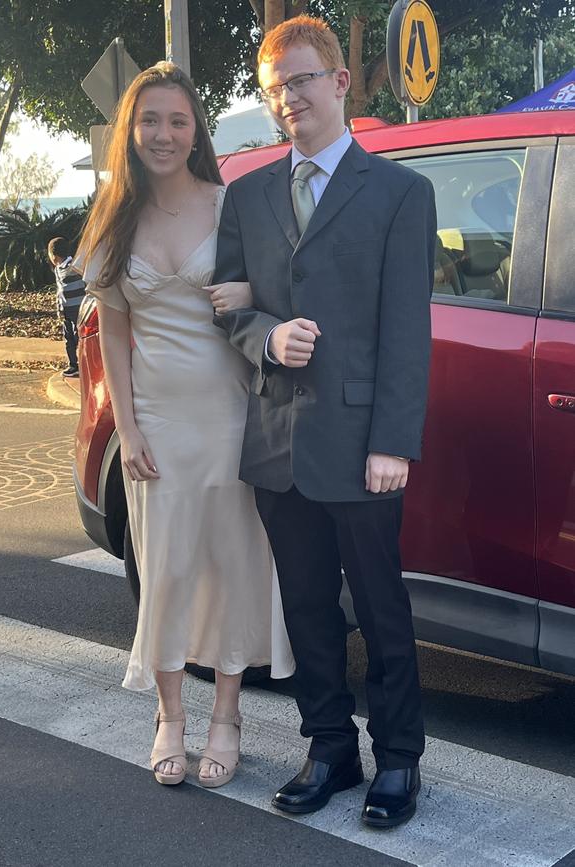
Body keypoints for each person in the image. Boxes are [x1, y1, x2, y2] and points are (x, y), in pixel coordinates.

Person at [214, 15, 436, 828]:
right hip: (278, 442)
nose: (289, 99)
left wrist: (392, 443)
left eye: (302, 80)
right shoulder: (249, 195)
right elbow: (229, 308)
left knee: (380, 606)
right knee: (306, 605)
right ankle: (330, 746)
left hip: (360, 445)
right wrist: (266, 336)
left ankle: (400, 759)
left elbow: (408, 332)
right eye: (275, 88)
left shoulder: (402, 194)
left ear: (340, 82)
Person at [76, 62, 294, 789]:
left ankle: (226, 716)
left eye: (177, 121)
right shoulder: (115, 217)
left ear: (195, 129)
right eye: (150, 122)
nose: (163, 134)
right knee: (165, 570)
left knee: (233, 567)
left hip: (232, 414)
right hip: (159, 423)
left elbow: (278, 294)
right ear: (130, 133)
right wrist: (129, 429)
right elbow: (112, 333)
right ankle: (170, 716)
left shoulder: (231, 205)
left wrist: (248, 289)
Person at [48, 236, 86, 377]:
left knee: (80, 338)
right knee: (68, 339)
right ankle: (73, 365)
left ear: (53, 255)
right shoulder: (58, 269)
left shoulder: (75, 266)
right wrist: (59, 310)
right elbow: (60, 292)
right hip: (66, 310)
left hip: (79, 310)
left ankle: (84, 364)